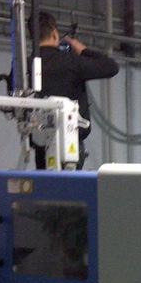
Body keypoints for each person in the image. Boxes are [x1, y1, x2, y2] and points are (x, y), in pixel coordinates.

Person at [33, 11, 119, 169]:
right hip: (71, 144)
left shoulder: (25, 66)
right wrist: (82, 49)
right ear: (54, 33)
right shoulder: (71, 62)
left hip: (40, 146)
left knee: (44, 183)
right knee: (70, 184)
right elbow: (111, 67)